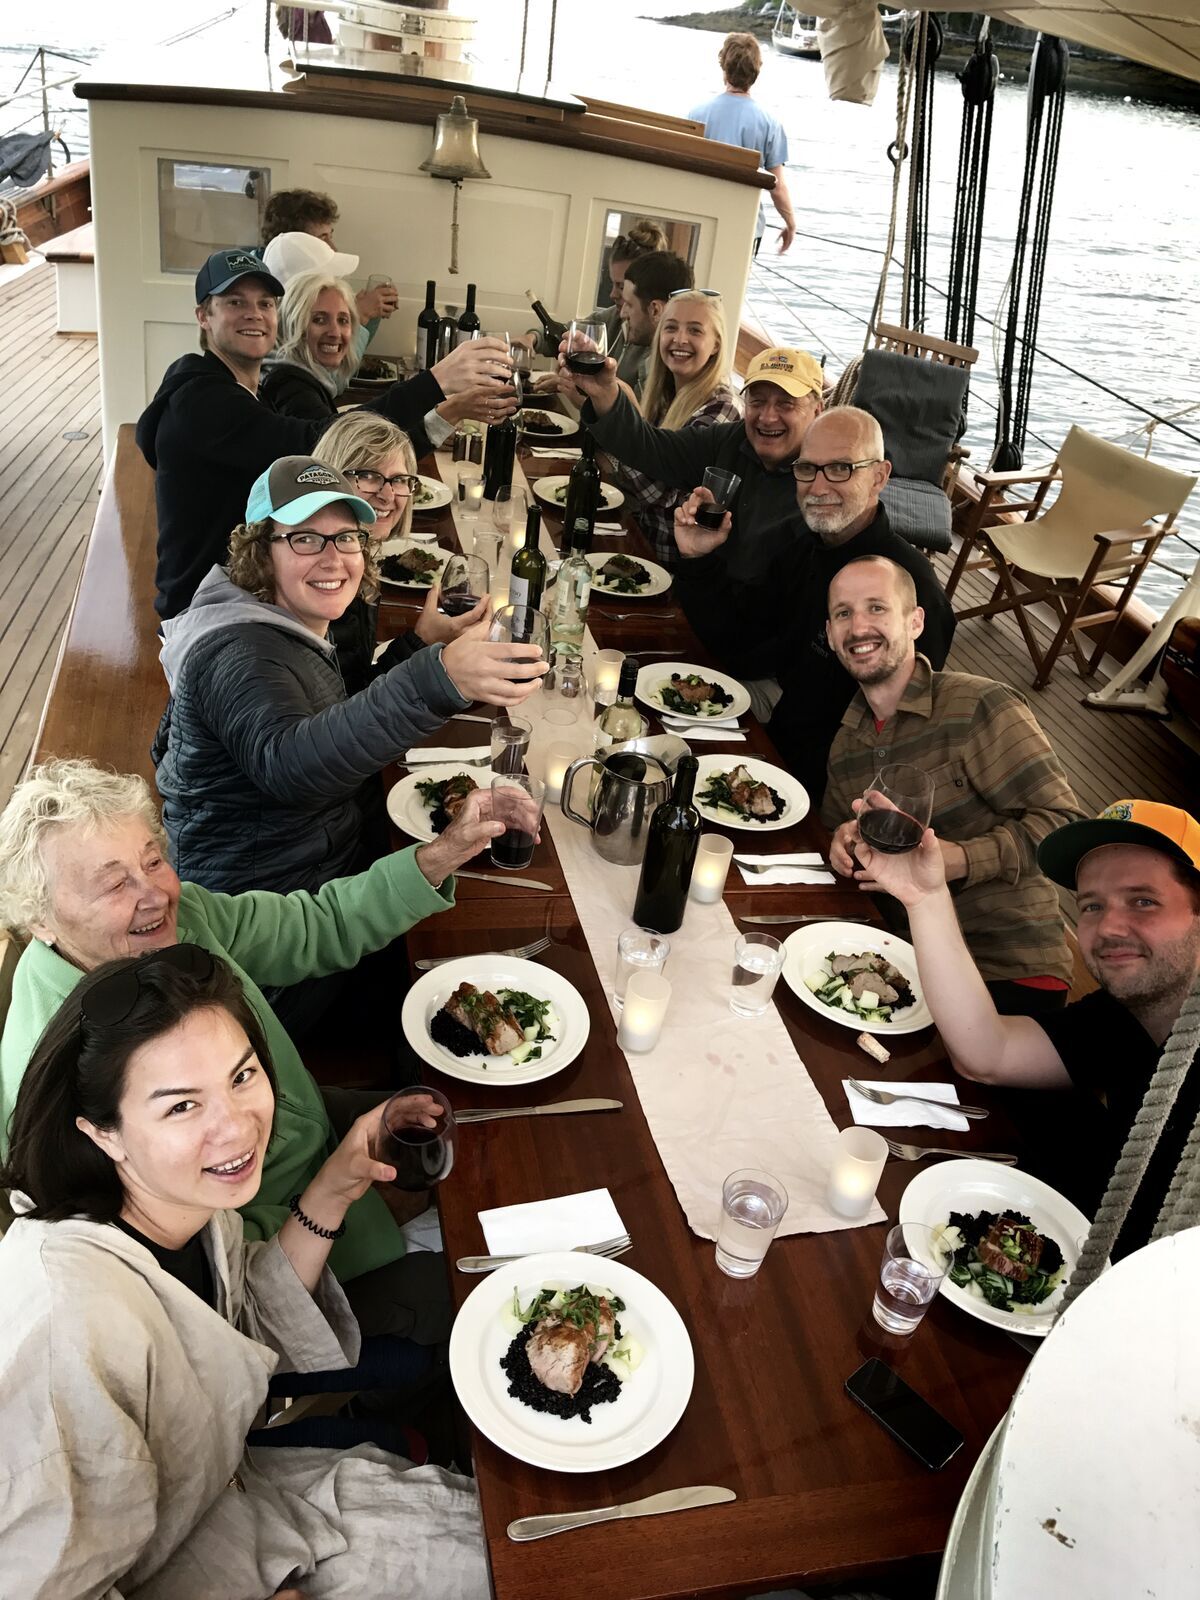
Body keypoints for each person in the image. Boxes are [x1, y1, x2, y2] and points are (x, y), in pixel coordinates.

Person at [0, 949, 488, 1597]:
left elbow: (238, 1320)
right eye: (181, 1107)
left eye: (242, 1076)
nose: (235, 1128)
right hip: (199, 1570)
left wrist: (337, 1182)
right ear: (103, 1134)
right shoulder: (64, 1329)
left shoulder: (185, 1204)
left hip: (245, 1497)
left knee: (505, 1534)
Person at [0, 758, 530, 1345]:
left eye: (153, 860)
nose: (155, 894)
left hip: (303, 1124)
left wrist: (441, 854)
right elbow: (196, 1279)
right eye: (114, 883)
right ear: (41, 922)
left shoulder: (177, 923)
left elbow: (315, 924)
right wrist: (349, 1196)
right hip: (288, 1269)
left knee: (490, 1127)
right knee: (487, 1299)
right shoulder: (62, 1084)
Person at [154, 456, 545, 897]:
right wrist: (438, 677)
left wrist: (418, 646)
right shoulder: (238, 652)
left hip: (312, 855)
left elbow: (332, 717)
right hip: (262, 904)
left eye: (345, 538)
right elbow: (290, 765)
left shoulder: (285, 624)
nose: (333, 559)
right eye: (305, 539)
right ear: (261, 553)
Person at [854, 799, 1200, 1259]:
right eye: (1092, 905)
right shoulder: (1129, 1012)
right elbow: (988, 1053)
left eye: (1143, 901)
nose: (1110, 926)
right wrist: (926, 898)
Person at [135, 248, 512, 620]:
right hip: (207, 613)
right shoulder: (202, 401)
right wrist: (436, 382)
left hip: (241, 591)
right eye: (235, 302)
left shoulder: (245, 391)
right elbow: (325, 445)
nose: (254, 313)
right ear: (204, 316)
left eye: (265, 303)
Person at [821, 555, 1081, 1011]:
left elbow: (1065, 829)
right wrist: (843, 840)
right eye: (844, 613)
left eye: (877, 608)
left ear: (916, 621)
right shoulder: (845, 745)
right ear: (830, 635)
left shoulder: (980, 705)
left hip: (1008, 964)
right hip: (903, 964)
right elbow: (838, 831)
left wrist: (955, 860)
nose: (859, 626)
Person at [672, 407, 956, 801]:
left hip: (827, 791)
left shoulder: (913, 589)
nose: (818, 487)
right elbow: (738, 639)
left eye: (840, 468)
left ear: (880, 476)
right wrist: (699, 559)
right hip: (770, 734)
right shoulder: (802, 546)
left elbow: (902, 743)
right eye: (807, 469)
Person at [574, 344, 824, 585]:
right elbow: (649, 448)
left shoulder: (825, 482)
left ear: (817, 410)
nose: (768, 417)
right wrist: (604, 392)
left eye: (786, 404)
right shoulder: (728, 439)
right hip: (701, 599)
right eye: (757, 402)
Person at [263, 237, 511, 442]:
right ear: (292, 320)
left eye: (343, 319)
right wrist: (437, 380)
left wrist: (453, 411)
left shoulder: (306, 375)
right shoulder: (289, 383)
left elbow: (373, 454)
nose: (335, 332)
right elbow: (337, 444)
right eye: (318, 319)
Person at [316, 411, 488, 693]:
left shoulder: (363, 559)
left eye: (398, 480)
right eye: (368, 475)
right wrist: (424, 643)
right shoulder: (328, 577)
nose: (388, 496)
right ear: (332, 475)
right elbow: (352, 709)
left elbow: (358, 687)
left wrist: (422, 639)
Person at [612, 288, 740, 567]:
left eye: (695, 331)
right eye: (671, 328)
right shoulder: (663, 393)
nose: (680, 339)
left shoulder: (723, 409)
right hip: (638, 549)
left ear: (716, 344)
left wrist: (622, 414)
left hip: (674, 574)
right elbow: (626, 479)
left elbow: (666, 500)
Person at [523, 216, 669, 389]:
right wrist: (532, 338)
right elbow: (566, 333)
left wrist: (571, 386)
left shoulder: (665, 351)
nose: (612, 294)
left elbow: (632, 413)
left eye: (621, 287)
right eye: (612, 283)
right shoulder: (613, 317)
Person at [689, 33, 795, 256]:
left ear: (724, 67)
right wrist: (790, 223)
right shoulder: (770, 124)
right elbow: (777, 186)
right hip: (745, 227)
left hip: (698, 219)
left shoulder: (697, 115)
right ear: (756, 71)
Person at [260, 184, 400, 331]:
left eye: (330, 236)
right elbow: (323, 350)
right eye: (322, 239)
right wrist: (358, 315)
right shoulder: (268, 307)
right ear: (295, 244)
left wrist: (365, 312)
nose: (333, 248)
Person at [607, 250, 694, 400]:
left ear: (655, 310)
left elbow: (640, 423)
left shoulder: (677, 371)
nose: (623, 314)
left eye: (629, 304)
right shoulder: (656, 359)